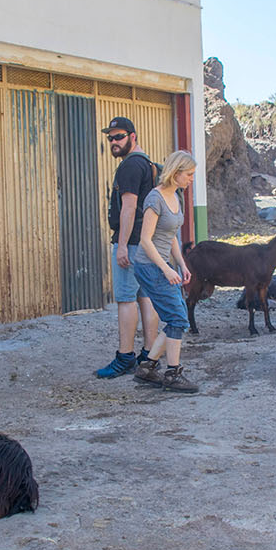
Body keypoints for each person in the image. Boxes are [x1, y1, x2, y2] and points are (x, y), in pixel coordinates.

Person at [95, 117, 161, 379]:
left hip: (133, 243)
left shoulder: (130, 166)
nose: (113, 142)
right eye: (110, 138)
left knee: (125, 299)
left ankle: (125, 358)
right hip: (148, 243)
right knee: (146, 297)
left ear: (133, 136)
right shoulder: (148, 164)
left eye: (119, 136)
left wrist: (122, 245)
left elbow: (129, 208)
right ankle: (149, 354)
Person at [130, 150, 198, 394]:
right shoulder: (154, 199)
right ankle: (172, 374)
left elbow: (170, 237)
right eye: (189, 174)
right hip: (149, 267)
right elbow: (146, 241)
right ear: (175, 172)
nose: (191, 179)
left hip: (163, 265)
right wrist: (166, 268)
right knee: (178, 318)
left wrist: (181, 263)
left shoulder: (175, 196)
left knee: (175, 317)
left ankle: (147, 367)